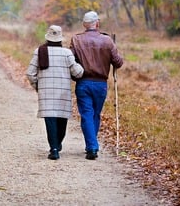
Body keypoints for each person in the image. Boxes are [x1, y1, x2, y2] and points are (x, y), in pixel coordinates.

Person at [70, 11, 123, 160]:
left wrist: (75, 73)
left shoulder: (76, 40)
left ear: (84, 24)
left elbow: (70, 60)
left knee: (87, 114)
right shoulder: (107, 41)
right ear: (97, 23)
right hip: (101, 85)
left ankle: (91, 146)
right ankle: (92, 146)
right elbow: (118, 62)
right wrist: (114, 51)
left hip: (83, 82)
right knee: (95, 114)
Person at [26, 25, 84, 160]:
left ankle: (54, 148)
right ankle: (57, 145)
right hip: (63, 92)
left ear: (48, 37)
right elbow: (78, 73)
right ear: (60, 39)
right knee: (61, 121)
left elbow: (30, 73)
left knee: (50, 120)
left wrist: (38, 86)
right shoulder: (67, 53)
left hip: (46, 93)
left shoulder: (39, 51)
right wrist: (81, 65)